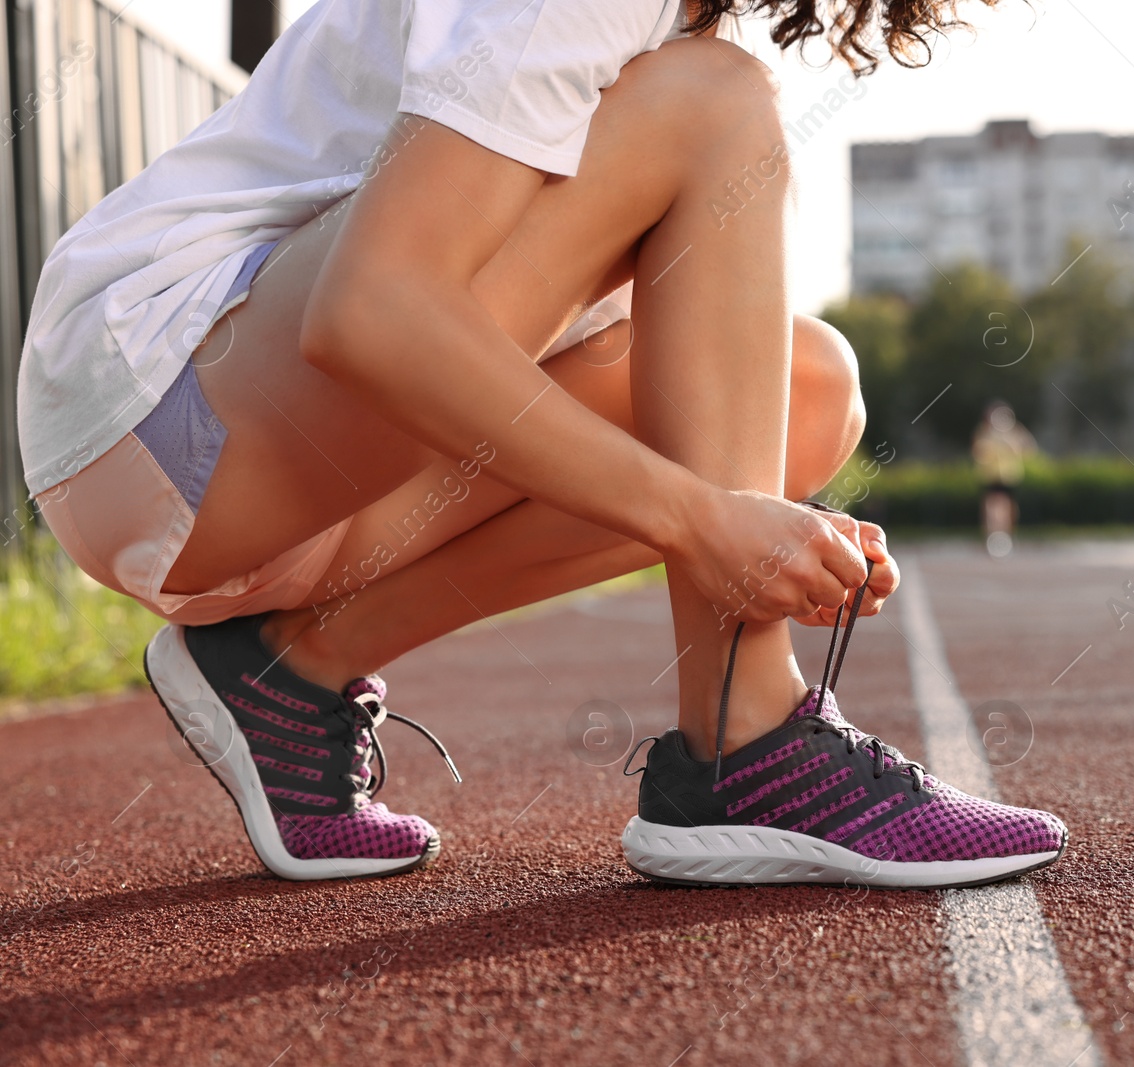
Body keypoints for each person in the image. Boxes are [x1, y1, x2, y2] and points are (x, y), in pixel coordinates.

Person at [17, 0, 1065, 887]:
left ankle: (290, 669)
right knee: (714, 106)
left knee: (809, 392)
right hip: (157, 413)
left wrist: (734, 509)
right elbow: (371, 311)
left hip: (283, 479)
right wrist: (704, 519)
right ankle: (749, 738)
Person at [972, 400, 1037, 557]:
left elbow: (1029, 450)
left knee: (1009, 510)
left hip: (1010, 477)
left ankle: (1006, 537)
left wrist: (1014, 433)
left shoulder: (1014, 433)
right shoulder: (985, 432)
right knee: (992, 508)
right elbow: (978, 453)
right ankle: (992, 537)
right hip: (991, 476)